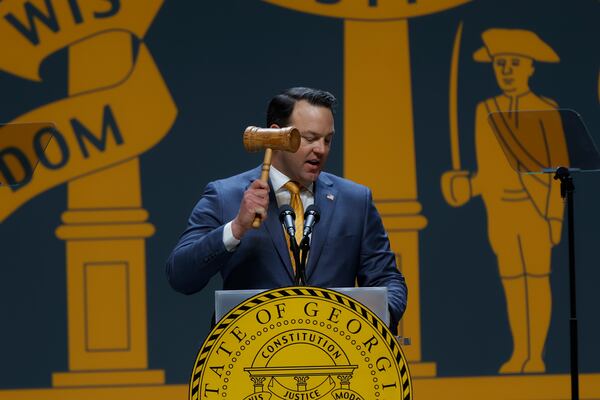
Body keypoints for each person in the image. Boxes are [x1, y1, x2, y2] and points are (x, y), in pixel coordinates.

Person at [166, 87, 407, 329]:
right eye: (309, 138)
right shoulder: (225, 196)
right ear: (276, 135)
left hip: (336, 355)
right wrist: (237, 228)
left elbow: (387, 279)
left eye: (328, 140)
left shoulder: (355, 200)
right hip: (251, 356)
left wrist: (378, 317)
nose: (321, 150)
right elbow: (180, 275)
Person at [441, 29, 568, 374]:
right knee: (513, 283)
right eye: (500, 64)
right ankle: (520, 352)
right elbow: (489, 173)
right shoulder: (486, 111)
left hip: (536, 211)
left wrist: (554, 218)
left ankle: (536, 355)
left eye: (514, 63)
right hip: (501, 212)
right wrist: (466, 187)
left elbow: (557, 172)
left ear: (530, 68)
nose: (507, 70)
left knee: (537, 280)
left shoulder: (547, 109)